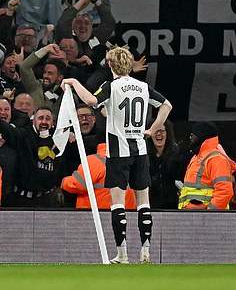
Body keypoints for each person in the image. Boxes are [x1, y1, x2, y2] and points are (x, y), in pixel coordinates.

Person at [62, 45, 172, 264]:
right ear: (129, 65)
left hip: (118, 153)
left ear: (110, 64)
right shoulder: (142, 86)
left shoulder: (111, 86)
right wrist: (152, 128)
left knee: (118, 203)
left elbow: (92, 101)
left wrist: (74, 83)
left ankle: (122, 254)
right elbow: (167, 105)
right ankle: (145, 251)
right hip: (140, 151)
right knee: (143, 202)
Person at [178, 121, 236, 210]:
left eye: (193, 136)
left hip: (206, 220)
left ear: (201, 138)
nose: (190, 139)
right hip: (193, 217)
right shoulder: (197, 157)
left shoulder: (216, 159)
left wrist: (209, 215)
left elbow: (225, 192)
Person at [61, 141, 136, 209]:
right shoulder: (132, 161)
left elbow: (75, 185)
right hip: (127, 216)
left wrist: (63, 181)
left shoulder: (93, 161)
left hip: (96, 217)